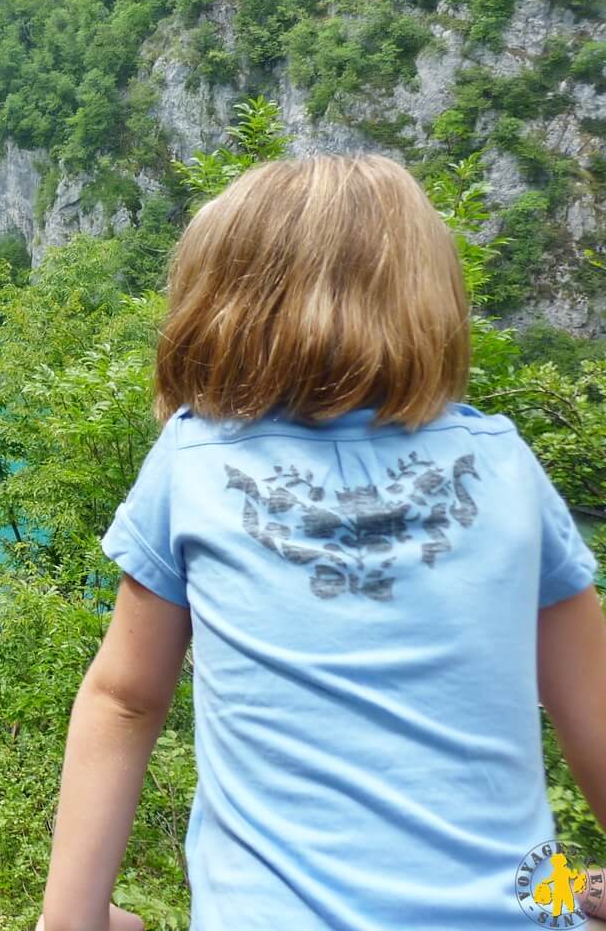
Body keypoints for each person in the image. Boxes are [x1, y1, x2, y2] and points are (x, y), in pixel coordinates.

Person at [38, 155, 605, 931]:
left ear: (224, 301)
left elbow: (125, 701)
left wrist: (73, 921)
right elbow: (594, 711)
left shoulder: (197, 460)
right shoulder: (504, 461)